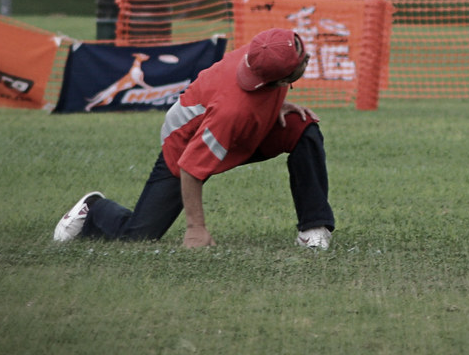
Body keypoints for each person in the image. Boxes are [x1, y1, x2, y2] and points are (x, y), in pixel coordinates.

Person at [53, 28, 335, 249]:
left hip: (242, 129)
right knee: (138, 236)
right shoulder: (232, 111)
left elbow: (263, 86)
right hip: (184, 144)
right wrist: (195, 228)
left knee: (303, 127)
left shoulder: (266, 49)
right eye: (301, 60)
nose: (307, 57)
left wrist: (275, 106)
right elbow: (190, 166)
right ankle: (94, 208)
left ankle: (313, 228)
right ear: (279, 80)